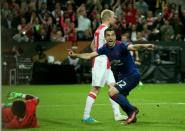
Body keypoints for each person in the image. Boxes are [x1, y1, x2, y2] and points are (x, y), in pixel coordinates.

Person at [68, 28, 154, 124]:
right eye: (108, 35)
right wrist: (76, 55)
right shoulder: (104, 48)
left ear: (115, 37)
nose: (110, 37)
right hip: (123, 77)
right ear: (105, 37)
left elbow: (133, 47)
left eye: (112, 35)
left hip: (132, 75)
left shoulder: (121, 45)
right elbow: (90, 55)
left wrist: (145, 46)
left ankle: (132, 111)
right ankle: (132, 116)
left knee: (112, 92)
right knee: (120, 97)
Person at [81, 9, 127, 123]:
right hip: (101, 63)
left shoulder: (98, 29)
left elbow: (93, 45)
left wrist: (100, 55)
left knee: (113, 87)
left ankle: (117, 115)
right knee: (95, 89)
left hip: (103, 62)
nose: (114, 18)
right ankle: (86, 116)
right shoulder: (106, 30)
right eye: (113, 17)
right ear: (108, 18)